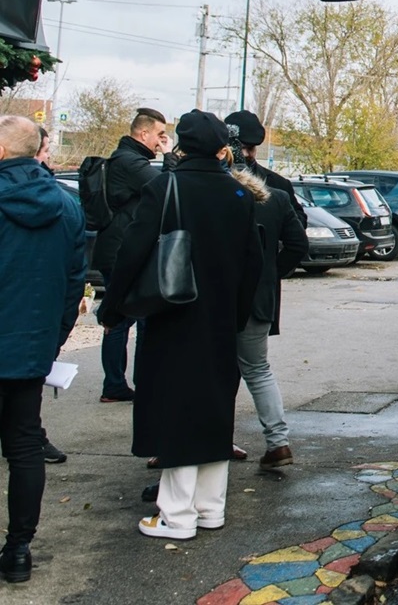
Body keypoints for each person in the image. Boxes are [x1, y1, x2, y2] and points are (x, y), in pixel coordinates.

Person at [97, 110, 262, 540]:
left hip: (172, 315)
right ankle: (211, 509)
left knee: (176, 410)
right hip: (221, 321)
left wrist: (113, 308)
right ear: (222, 148)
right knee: (213, 409)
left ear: (182, 146)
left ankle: (176, 516)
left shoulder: (164, 186)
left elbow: (132, 252)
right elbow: (253, 266)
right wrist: (236, 316)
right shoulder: (239, 195)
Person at [0, 115, 87, 582]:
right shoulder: (67, 205)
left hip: (26, 343)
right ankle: (18, 550)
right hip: (31, 347)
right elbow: (74, 285)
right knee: (25, 445)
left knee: (24, 445)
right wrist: (52, 339)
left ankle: (17, 550)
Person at [229, 135, 308, 470]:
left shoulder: (220, 196)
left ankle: (211, 439)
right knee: (258, 370)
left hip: (219, 299)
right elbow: (298, 244)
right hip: (259, 298)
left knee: (215, 371)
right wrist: (273, 273)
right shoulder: (275, 197)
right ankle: (278, 442)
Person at [93, 106, 170, 403]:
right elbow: (163, 187)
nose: (161, 141)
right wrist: (169, 156)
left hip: (120, 248)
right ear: (144, 133)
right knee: (122, 319)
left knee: (128, 316)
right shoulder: (130, 162)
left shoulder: (125, 158)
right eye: (160, 135)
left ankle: (126, 382)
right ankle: (116, 385)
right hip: (122, 251)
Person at [31, 127, 71, 468]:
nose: (49, 157)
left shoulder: (61, 202)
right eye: (45, 150)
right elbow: (74, 272)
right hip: (36, 322)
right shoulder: (62, 203)